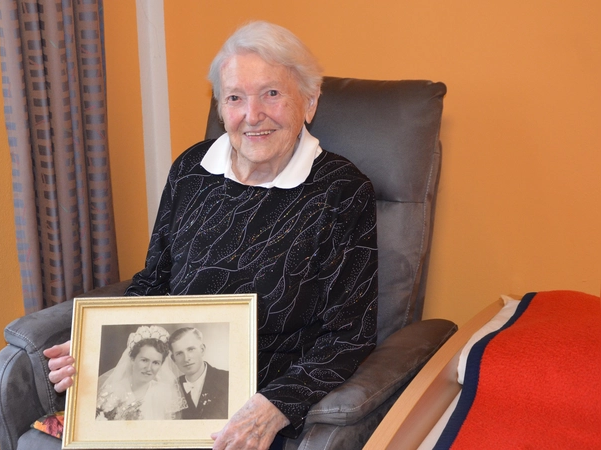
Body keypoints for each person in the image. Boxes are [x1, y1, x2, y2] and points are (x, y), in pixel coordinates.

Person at [45, 20, 378, 450]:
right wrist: (95, 346)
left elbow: (350, 335)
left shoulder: (342, 192)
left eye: (272, 94)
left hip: (263, 404)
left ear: (309, 102)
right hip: (167, 394)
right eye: (235, 98)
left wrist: (274, 405)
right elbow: (154, 282)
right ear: (221, 108)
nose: (252, 115)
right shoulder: (191, 170)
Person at [94, 325, 187, 420]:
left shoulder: (165, 393)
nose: (149, 368)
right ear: (132, 359)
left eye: (155, 362)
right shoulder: (112, 391)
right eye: (144, 360)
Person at [169, 327, 229, 420]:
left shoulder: (227, 379)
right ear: (173, 359)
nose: (186, 358)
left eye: (191, 349)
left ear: (202, 350)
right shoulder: (171, 388)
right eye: (179, 353)